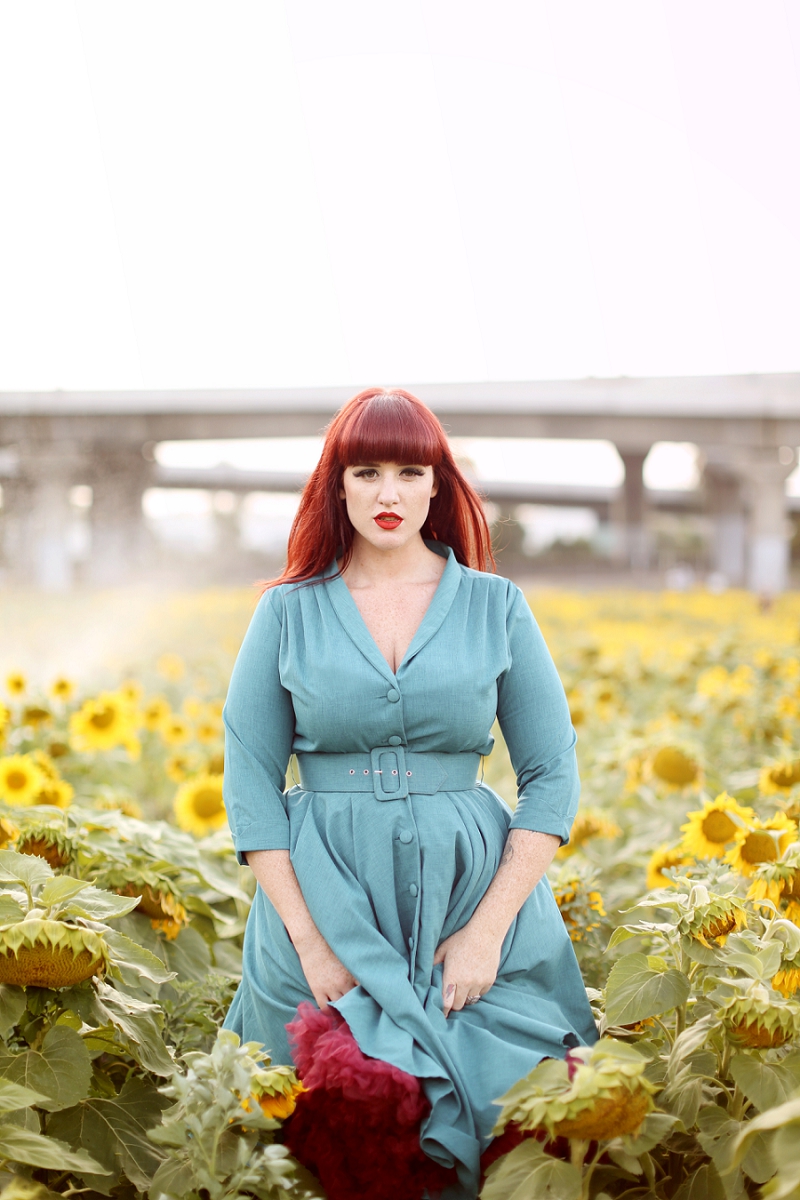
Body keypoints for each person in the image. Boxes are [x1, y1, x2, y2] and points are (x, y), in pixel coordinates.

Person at [222, 388, 598, 1200]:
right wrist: (310, 943)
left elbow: (551, 776)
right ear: (339, 486)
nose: (387, 493)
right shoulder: (285, 613)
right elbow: (251, 782)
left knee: (512, 1116)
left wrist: (487, 934)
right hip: (321, 897)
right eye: (366, 471)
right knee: (320, 1127)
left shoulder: (498, 606)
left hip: (469, 900)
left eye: (407, 471)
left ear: (438, 486)